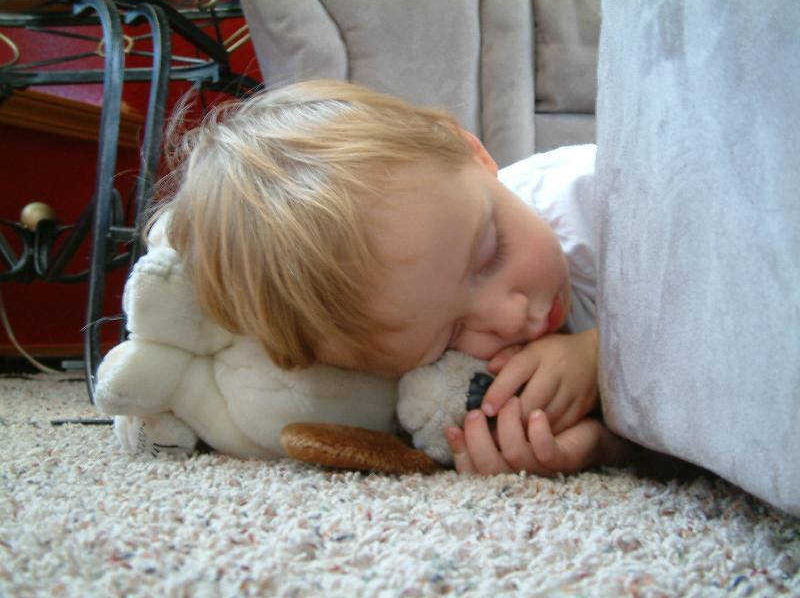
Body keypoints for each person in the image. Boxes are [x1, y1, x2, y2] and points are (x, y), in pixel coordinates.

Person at [155, 80, 635, 477]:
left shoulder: (606, 196)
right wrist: (600, 444)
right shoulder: (454, 386)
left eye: (491, 255)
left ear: (471, 151)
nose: (510, 317)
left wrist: (605, 361)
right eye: (450, 337)